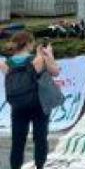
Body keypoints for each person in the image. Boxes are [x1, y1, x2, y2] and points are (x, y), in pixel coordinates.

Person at [0, 31, 60, 169]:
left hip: (18, 105)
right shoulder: (38, 59)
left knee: (18, 140)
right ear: (28, 44)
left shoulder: (6, 64)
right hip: (39, 104)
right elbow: (55, 72)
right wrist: (48, 54)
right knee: (40, 138)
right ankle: (39, 166)